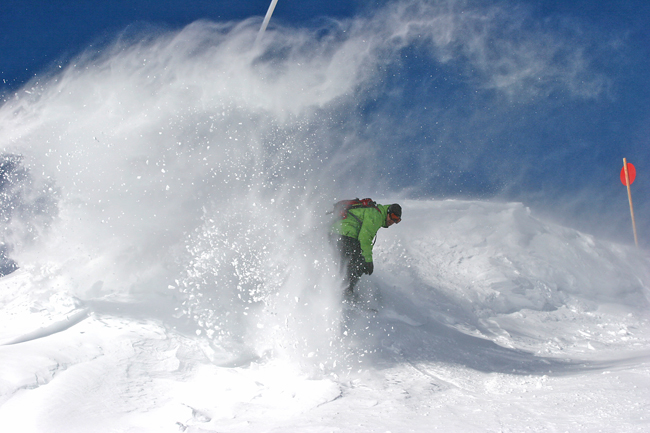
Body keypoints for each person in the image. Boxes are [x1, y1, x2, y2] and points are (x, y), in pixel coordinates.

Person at [330, 200, 402, 299]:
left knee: (345, 264)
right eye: (393, 217)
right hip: (345, 234)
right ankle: (345, 293)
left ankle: (339, 291)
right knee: (359, 263)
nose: (392, 221)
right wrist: (368, 261)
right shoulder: (376, 215)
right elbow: (364, 238)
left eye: (397, 220)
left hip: (337, 233)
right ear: (388, 212)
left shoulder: (375, 213)